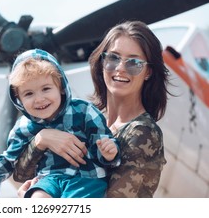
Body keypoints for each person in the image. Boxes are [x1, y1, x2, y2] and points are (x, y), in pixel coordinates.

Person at [15, 21, 170, 198]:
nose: (120, 68)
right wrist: (42, 139)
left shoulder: (142, 132)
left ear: (148, 71)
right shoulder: (88, 119)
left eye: (133, 63)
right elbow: (21, 174)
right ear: (102, 61)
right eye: (113, 58)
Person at [0, 48, 120, 198]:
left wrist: (109, 154)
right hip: (48, 180)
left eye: (46, 89)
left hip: (86, 179)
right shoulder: (22, 127)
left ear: (61, 88)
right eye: (29, 93)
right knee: (37, 198)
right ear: (19, 99)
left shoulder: (84, 111)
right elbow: (10, 159)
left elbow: (103, 142)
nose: (39, 99)